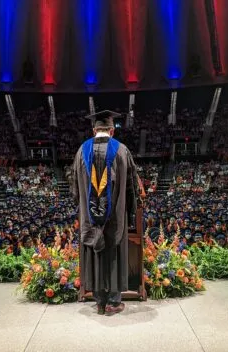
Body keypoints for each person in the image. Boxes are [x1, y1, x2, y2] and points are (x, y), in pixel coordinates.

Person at [70, 110, 139, 316]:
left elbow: (74, 187)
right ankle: (114, 301)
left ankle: (99, 302)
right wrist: (130, 212)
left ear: (94, 131)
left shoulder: (82, 151)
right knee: (114, 254)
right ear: (111, 131)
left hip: (90, 220)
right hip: (115, 218)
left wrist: (84, 208)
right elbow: (131, 187)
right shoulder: (122, 150)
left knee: (96, 254)